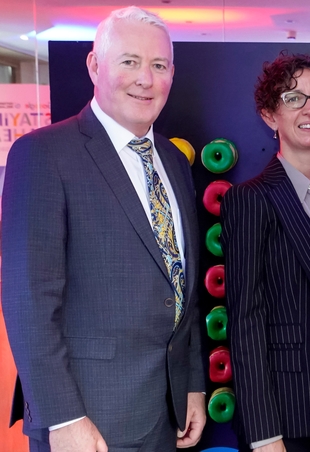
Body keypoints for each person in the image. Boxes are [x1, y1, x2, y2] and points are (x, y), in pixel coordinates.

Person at [1, 6, 206, 451]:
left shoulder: (174, 161)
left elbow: (179, 281)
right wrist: (63, 417)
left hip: (164, 413)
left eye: (159, 65)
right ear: (95, 66)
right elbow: (28, 300)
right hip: (88, 418)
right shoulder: (42, 155)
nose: (145, 79)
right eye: (129, 62)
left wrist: (192, 383)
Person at [220, 52, 310, 452]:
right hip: (287, 422)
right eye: (293, 98)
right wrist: (264, 434)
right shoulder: (249, 201)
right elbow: (245, 322)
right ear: (270, 115)